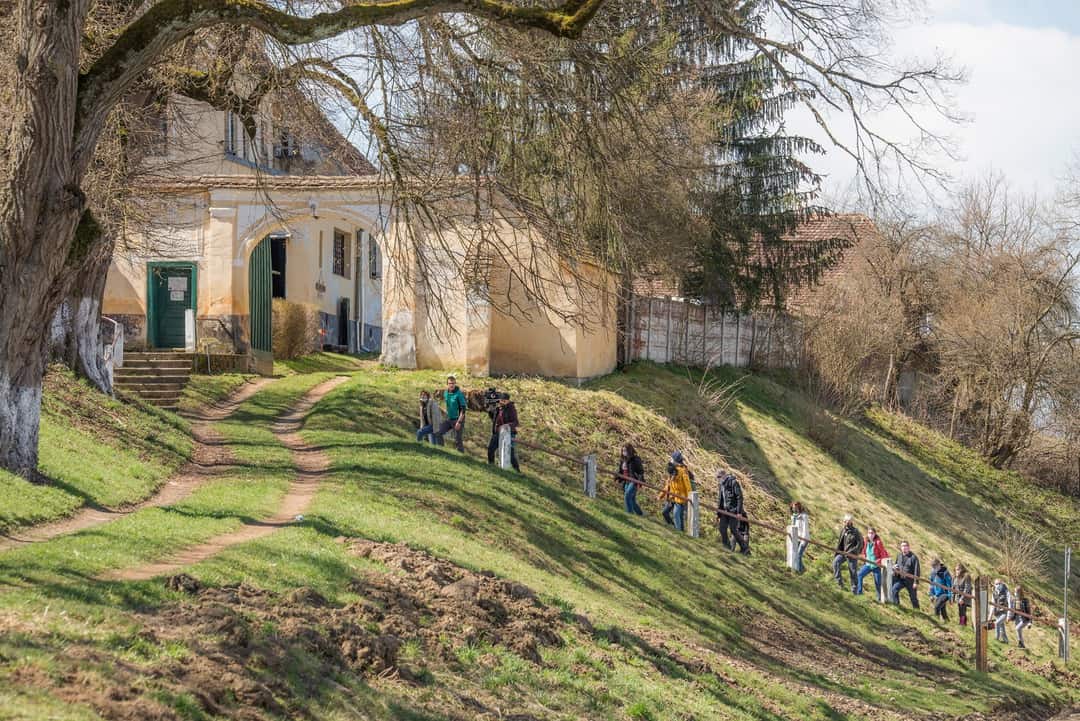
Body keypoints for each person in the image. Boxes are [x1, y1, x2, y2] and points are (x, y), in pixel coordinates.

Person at [485, 392, 520, 471]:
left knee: (509, 453)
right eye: (501, 400)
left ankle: (517, 470)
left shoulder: (511, 409)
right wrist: (490, 411)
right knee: (491, 449)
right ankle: (491, 465)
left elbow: (516, 422)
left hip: (508, 434)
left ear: (508, 401)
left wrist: (506, 426)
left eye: (505, 401)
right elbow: (494, 418)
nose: (502, 402)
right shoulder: (499, 408)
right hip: (497, 433)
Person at [659, 451, 692, 532]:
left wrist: (689, 497)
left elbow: (688, 486)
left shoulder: (683, 471)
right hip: (671, 497)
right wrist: (661, 495)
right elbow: (668, 485)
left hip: (680, 497)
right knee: (665, 512)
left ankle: (679, 532)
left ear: (675, 459)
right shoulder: (671, 469)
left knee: (676, 514)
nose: (670, 459)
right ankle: (673, 527)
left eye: (671, 458)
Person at [434, 375, 468, 452]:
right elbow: (448, 405)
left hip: (458, 419)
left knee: (457, 440)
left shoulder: (459, 394)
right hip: (449, 419)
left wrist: (459, 422)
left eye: (453, 383)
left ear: (455, 383)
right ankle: (441, 451)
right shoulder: (446, 393)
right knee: (438, 433)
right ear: (447, 384)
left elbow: (463, 410)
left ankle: (462, 458)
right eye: (450, 383)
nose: (451, 385)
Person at [717, 470, 747, 553]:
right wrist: (719, 513)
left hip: (733, 511)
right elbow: (720, 499)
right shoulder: (721, 485)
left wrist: (739, 512)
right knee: (722, 528)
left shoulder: (733, 483)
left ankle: (744, 547)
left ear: (724, 476)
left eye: (718, 477)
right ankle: (726, 546)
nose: (718, 479)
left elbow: (739, 497)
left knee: (733, 529)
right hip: (724, 510)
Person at [855, 527, 889, 597]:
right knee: (859, 575)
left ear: (875, 534)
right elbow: (864, 551)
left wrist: (878, 561)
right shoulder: (866, 541)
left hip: (876, 565)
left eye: (872, 533)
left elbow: (884, 555)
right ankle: (859, 592)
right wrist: (863, 556)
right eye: (869, 533)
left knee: (877, 583)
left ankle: (879, 598)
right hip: (868, 564)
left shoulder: (878, 542)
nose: (870, 535)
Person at [833, 515, 863, 594]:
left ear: (850, 522)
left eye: (846, 521)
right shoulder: (843, 530)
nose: (844, 522)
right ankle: (839, 583)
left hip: (852, 555)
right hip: (843, 553)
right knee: (835, 562)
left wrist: (851, 552)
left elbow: (860, 544)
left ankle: (854, 589)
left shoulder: (856, 532)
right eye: (844, 521)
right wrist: (838, 551)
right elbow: (840, 542)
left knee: (853, 572)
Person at [890, 541, 921, 609]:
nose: (904, 547)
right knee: (894, 589)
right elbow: (896, 565)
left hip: (910, 581)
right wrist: (894, 569)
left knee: (913, 597)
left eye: (905, 546)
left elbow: (917, 570)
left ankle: (917, 610)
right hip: (901, 579)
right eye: (902, 546)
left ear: (908, 547)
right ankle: (897, 606)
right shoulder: (899, 555)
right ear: (901, 548)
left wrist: (916, 582)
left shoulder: (913, 557)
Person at [617, 444, 645, 516]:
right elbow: (621, 470)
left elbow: (641, 471)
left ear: (630, 451)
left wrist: (639, 482)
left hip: (634, 481)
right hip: (627, 481)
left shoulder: (635, 459)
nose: (624, 452)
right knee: (632, 500)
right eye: (623, 450)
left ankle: (630, 513)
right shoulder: (623, 460)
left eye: (625, 450)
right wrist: (617, 477)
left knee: (627, 496)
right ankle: (640, 514)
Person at [789, 502, 810, 573]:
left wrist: (804, 540)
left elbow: (805, 529)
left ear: (799, 508)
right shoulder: (793, 516)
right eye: (793, 508)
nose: (795, 509)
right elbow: (793, 527)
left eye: (796, 508)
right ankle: (803, 569)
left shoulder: (804, 516)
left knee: (798, 555)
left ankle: (801, 571)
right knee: (795, 554)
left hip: (804, 538)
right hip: (796, 538)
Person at [991, 578, 1011, 643]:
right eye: (996, 584)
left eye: (999, 584)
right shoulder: (994, 592)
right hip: (997, 612)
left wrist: (1008, 615)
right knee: (1002, 627)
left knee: (997, 623)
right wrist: (990, 616)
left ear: (1002, 583)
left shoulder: (1006, 591)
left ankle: (996, 638)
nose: (997, 585)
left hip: (1005, 612)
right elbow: (992, 605)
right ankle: (1006, 640)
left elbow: (1010, 603)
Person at [1012, 585, 1032, 649]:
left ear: (1019, 593)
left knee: (1018, 629)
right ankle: (1021, 644)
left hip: (1024, 619)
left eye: (1015, 592)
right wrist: (1011, 617)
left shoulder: (1025, 601)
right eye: (1014, 592)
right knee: (1018, 631)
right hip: (1017, 618)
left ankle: (1020, 642)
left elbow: (1029, 611)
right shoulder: (1015, 600)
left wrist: (1030, 622)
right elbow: (1014, 610)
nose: (1014, 593)